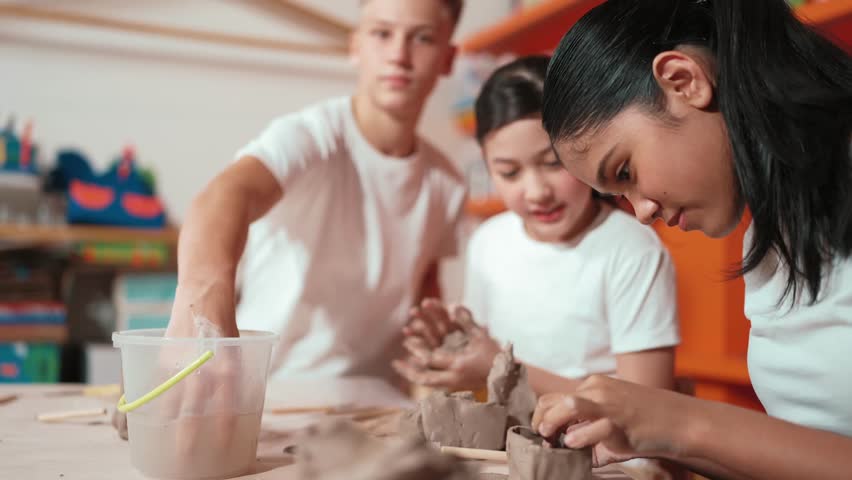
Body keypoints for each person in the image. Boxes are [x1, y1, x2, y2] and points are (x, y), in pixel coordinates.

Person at [532, 0, 852, 478]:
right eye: (619, 194)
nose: (642, 212)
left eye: (626, 171)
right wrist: (649, 434)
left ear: (684, 81)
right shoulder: (771, 235)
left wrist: (684, 423)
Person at [163, 0, 468, 382]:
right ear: (355, 45)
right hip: (268, 388)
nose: (399, 55)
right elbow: (225, 194)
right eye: (382, 34)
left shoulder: (447, 181)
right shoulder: (310, 137)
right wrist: (202, 299)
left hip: (371, 402)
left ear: (448, 58)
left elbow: (424, 288)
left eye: (422, 38)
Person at [392, 56, 679, 398]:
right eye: (510, 173)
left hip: (599, 449)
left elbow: (649, 405)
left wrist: (502, 367)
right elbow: (481, 362)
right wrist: (450, 352)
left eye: (554, 163)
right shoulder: (488, 242)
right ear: (486, 165)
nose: (537, 192)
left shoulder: (631, 249)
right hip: (504, 443)